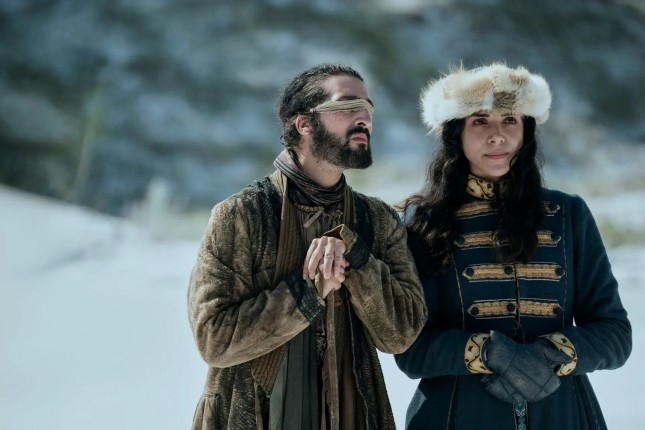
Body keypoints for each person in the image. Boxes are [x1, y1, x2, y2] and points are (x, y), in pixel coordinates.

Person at [188, 63, 427, 430]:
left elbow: (402, 332)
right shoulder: (240, 216)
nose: (364, 118)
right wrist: (308, 292)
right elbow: (213, 339)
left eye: (368, 108)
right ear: (304, 124)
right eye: (348, 106)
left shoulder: (378, 221)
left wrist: (357, 258)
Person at [395, 63, 632, 429]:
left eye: (510, 120)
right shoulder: (423, 222)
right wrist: (488, 353)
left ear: (526, 132)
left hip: (563, 415)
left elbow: (614, 333)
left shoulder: (568, 214)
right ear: (456, 133)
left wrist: (552, 354)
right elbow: (411, 349)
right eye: (480, 121)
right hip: (456, 416)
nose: (497, 136)